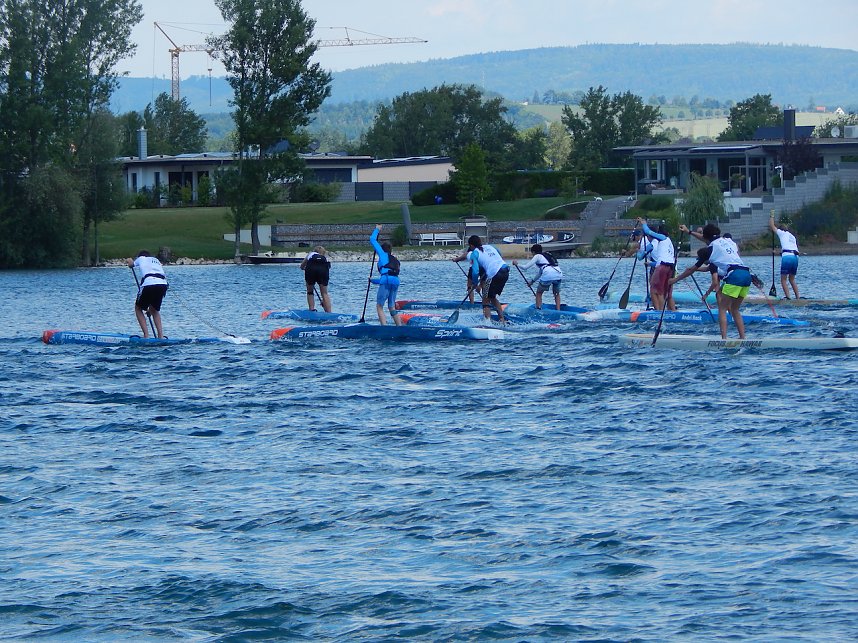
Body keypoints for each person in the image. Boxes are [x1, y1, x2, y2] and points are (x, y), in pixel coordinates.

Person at [670, 223, 751, 339]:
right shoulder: (727, 240)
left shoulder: (709, 250)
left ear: (706, 237)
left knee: (722, 308)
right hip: (746, 274)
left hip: (735, 275)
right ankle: (743, 338)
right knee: (735, 309)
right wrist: (689, 232)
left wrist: (675, 280)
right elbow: (706, 238)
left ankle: (724, 339)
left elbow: (691, 269)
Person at [636, 218, 676, 312]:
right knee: (667, 293)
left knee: (655, 291)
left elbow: (647, 231)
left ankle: (659, 312)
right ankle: (672, 311)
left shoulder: (661, 238)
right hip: (671, 268)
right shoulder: (669, 241)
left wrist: (644, 223)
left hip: (662, 267)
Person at [468, 234, 509, 323]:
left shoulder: (474, 253)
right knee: (492, 297)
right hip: (505, 270)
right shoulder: (490, 246)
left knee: (485, 299)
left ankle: (487, 322)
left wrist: (475, 284)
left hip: (494, 273)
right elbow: (499, 254)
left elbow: (475, 271)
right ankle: (502, 319)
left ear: (471, 245)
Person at [127, 250, 168, 338]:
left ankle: (146, 335)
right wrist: (149, 309)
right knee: (154, 310)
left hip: (149, 283)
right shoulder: (156, 260)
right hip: (163, 284)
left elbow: (131, 265)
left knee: (138, 308)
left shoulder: (141, 258)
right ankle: (161, 336)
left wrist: (129, 260)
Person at [512, 243, 563, 310]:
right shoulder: (547, 255)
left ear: (533, 252)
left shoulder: (537, 256)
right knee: (556, 293)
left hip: (548, 274)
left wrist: (517, 264)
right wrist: (532, 281)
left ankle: (538, 309)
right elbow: (541, 272)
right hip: (559, 274)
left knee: (539, 293)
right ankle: (558, 310)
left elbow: (525, 267)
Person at [369, 224, 402, 326]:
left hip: (387, 280)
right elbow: (389, 276)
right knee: (391, 306)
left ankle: (384, 327)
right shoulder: (396, 260)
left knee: (379, 306)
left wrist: (377, 229)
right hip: (396, 281)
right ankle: (399, 326)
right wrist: (373, 280)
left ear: (382, 250)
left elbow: (372, 239)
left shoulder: (382, 254)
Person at [769, 214, 801, 299]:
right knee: (792, 279)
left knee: (783, 280)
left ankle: (788, 298)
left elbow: (772, 226)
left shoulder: (781, 233)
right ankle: (798, 298)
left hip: (787, 257)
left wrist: (772, 215)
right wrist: (777, 253)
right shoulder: (792, 237)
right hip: (795, 257)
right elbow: (789, 249)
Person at [300, 245, 332, 313]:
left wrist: (305, 269)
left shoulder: (311, 254)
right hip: (323, 270)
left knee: (310, 291)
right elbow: (328, 268)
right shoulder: (324, 258)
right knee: (324, 293)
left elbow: (302, 266)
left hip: (311, 269)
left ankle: (312, 309)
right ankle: (329, 312)